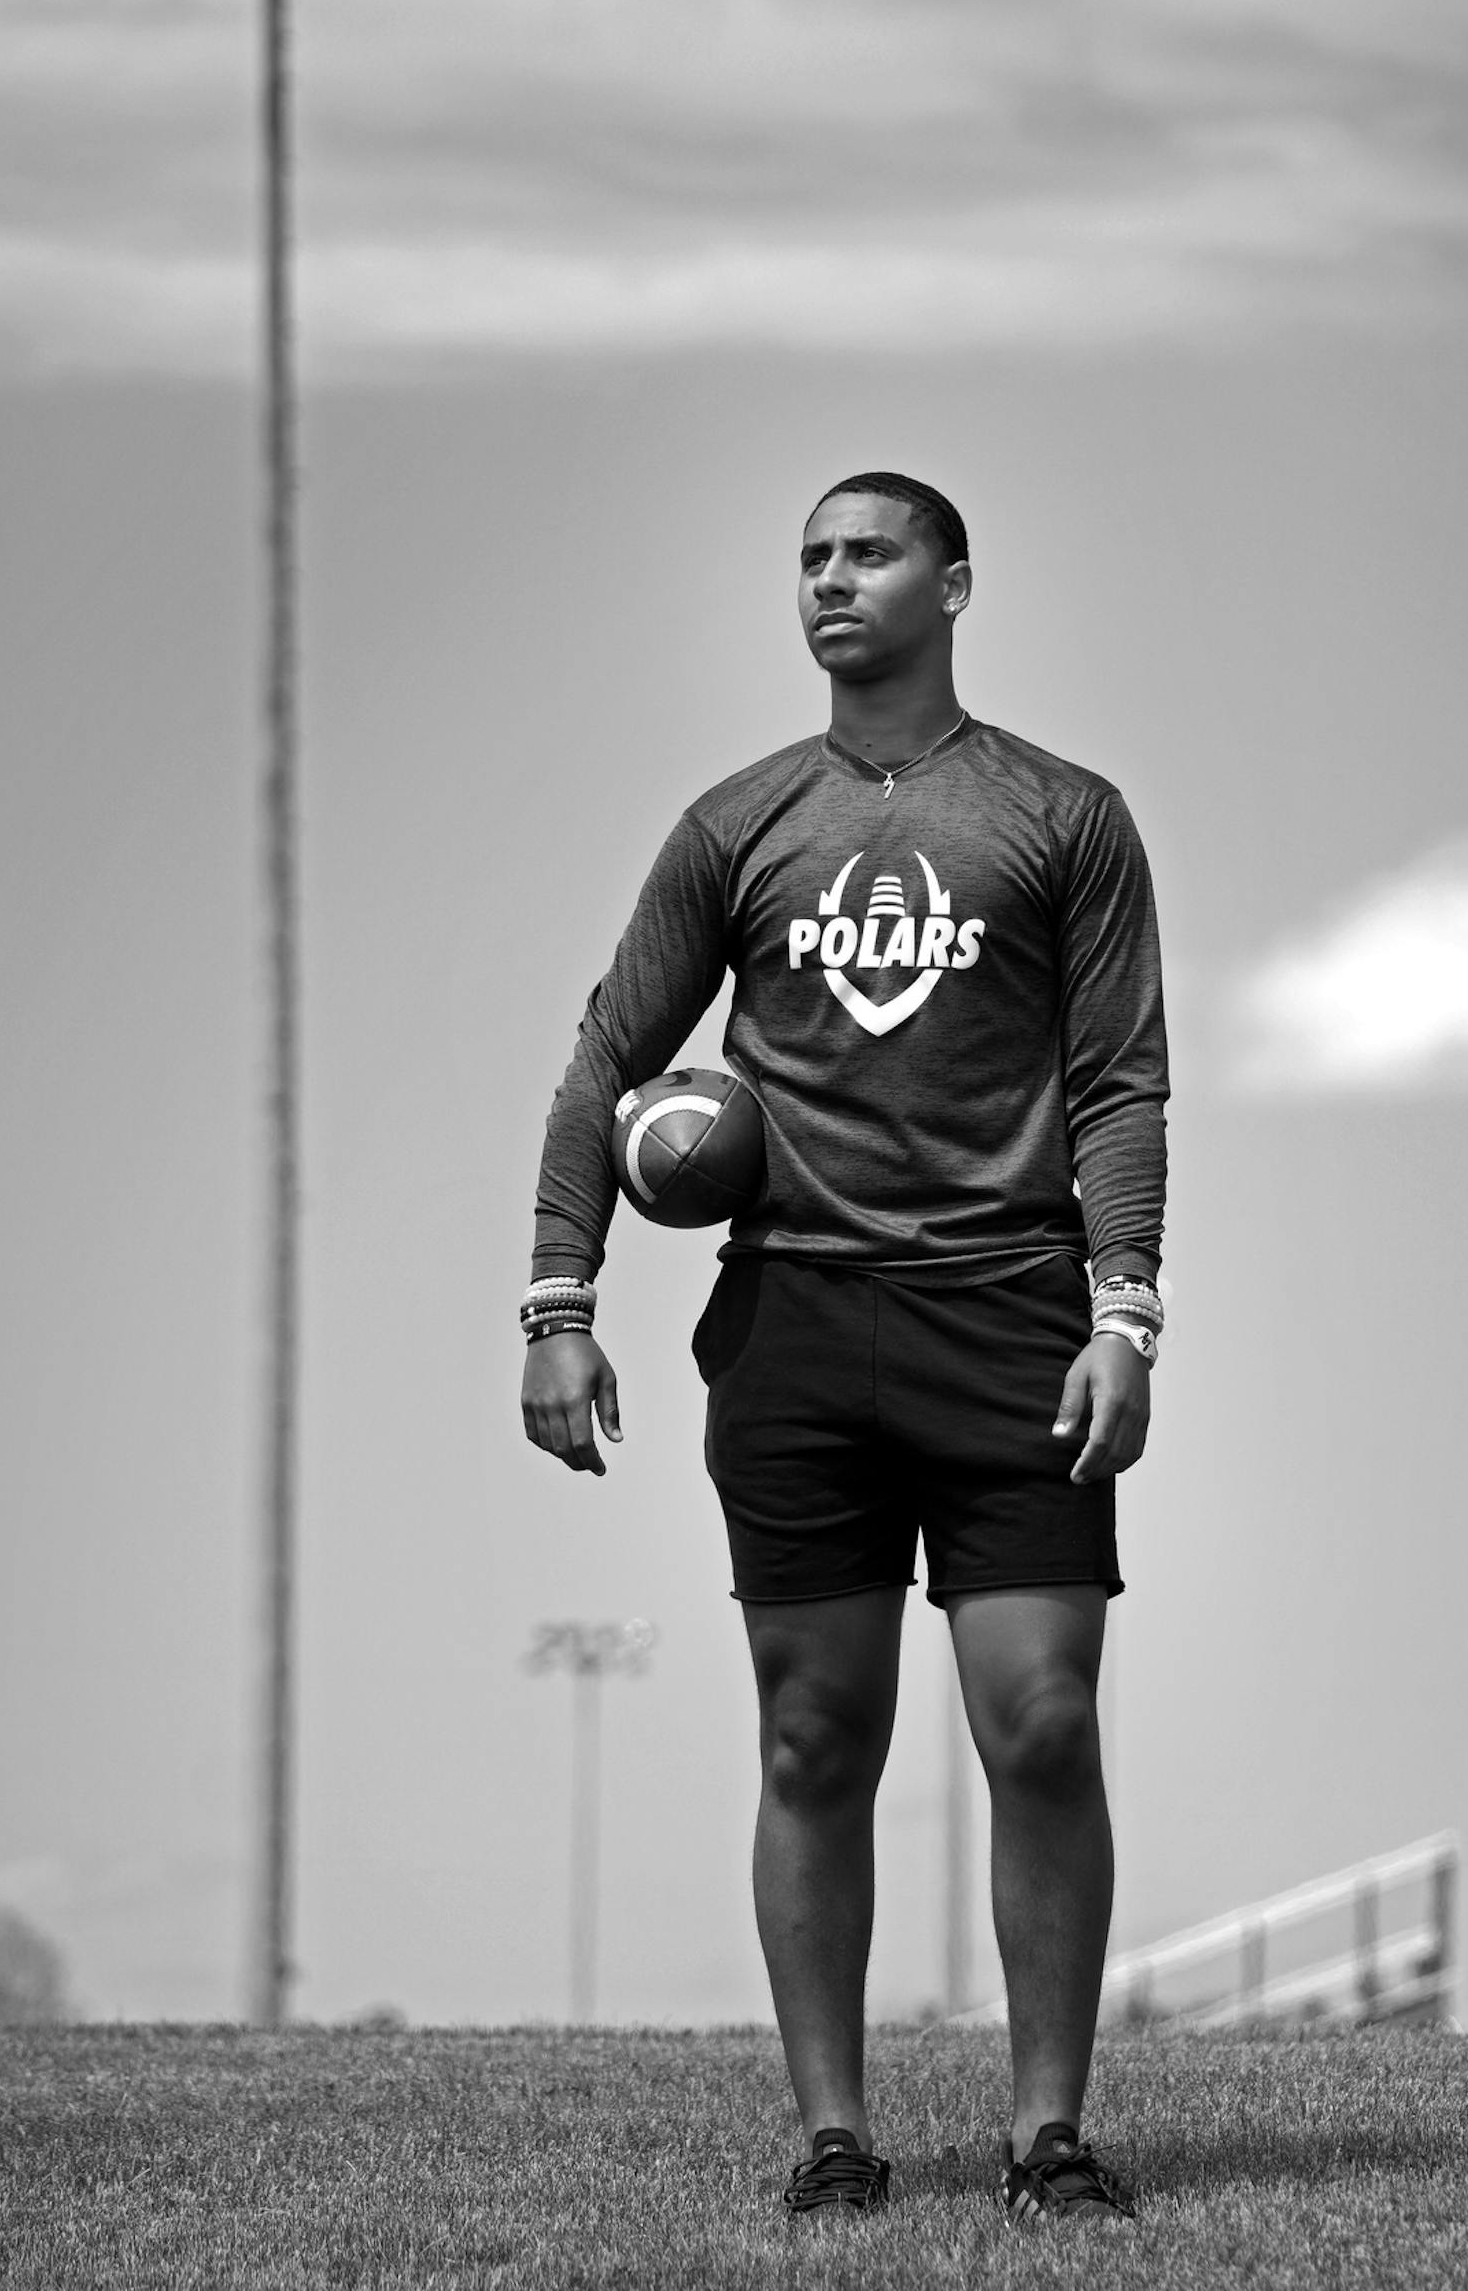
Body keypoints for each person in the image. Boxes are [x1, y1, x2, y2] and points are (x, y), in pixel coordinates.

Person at [519, 471, 1168, 2224]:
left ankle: (1048, 2136)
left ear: (954, 584)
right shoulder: (739, 825)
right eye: (809, 557)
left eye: (868, 552)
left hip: (1012, 1311)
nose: (831, 580)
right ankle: (834, 2135)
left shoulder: (1065, 817)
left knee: (1040, 1721)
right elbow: (605, 1058)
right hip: (795, 1317)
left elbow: (1119, 1081)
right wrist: (560, 1302)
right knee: (816, 1737)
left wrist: (1126, 1310)